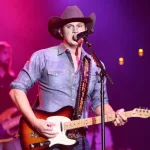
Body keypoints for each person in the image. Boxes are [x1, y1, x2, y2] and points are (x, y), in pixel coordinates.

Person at [9, 5, 127, 150]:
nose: (75, 30)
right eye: (70, 26)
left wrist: (114, 115)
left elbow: (99, 103)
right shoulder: (44, 57)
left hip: (79, 141)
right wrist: (35, 122)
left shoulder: (96, 65)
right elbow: (16, 90)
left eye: (79, 25)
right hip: (46, 138)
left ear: (86, 30)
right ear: (60, 31)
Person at [0, 41, 22, 150]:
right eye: (5, 53)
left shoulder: (13, 80)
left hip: (9, 129)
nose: (8, 56)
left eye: (9, 53)